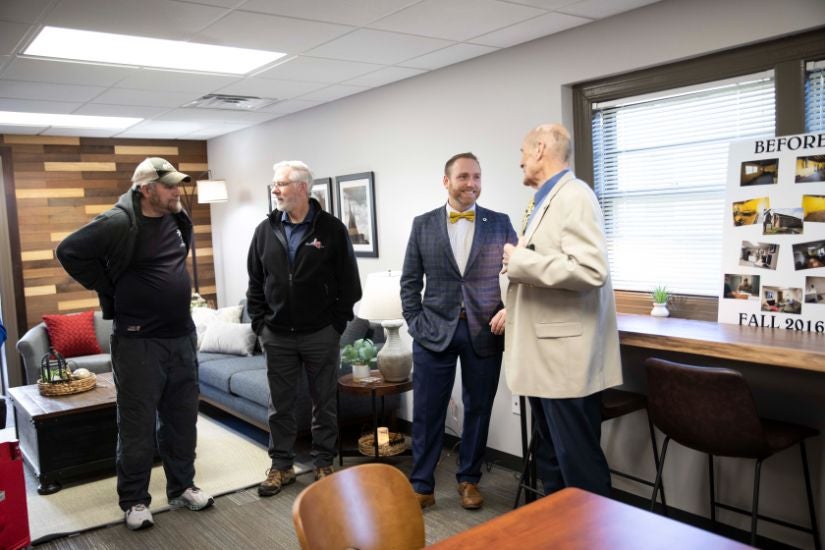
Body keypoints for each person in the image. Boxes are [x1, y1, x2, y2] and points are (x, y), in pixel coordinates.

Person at [56, 157, 213, 531]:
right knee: (137, 426)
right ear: (146, 189)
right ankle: (135, 501)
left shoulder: (178, 217)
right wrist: (109, 285)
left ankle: (182, 487)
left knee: (182, 421)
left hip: (181, 337)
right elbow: (69, 251)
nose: (178, 191)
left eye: (178, 185)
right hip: (138, 342)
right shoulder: (118, 221)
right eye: (170, 186)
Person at [502, 124, 623, 498]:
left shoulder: (575, 197)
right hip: (544, 358)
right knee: (551, 461)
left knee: (578, 466)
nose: (520, 160)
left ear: (540, 149)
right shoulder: (543, 199)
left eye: (523, 151)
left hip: (564, 361)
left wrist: (521, 263)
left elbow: (590, 270)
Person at [401, 152, 517, 510]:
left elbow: (522, 273)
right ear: (446, 181)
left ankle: (469, 480)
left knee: (478, 408)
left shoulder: (500, 223)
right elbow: (409, 281)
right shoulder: (423, 224)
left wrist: (511, 309)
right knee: (427, 410)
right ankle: (422, 484)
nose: (472, 183)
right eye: (464, 176)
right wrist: (416, 323)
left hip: (484, 331)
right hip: (433, 331)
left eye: (477, 177)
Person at [247, 160, 361, 497]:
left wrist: (335, 326)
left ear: (302, 188)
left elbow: (349, 286)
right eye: (274, 183)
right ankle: (280, 466)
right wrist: (260, 325)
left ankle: (323, 461)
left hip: (319, 334)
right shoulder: (264, 230)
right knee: (279, 404)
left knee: (323, 401)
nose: (275, 189)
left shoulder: (332, 230)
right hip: (277, 334)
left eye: (281, 183)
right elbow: (255, 283)